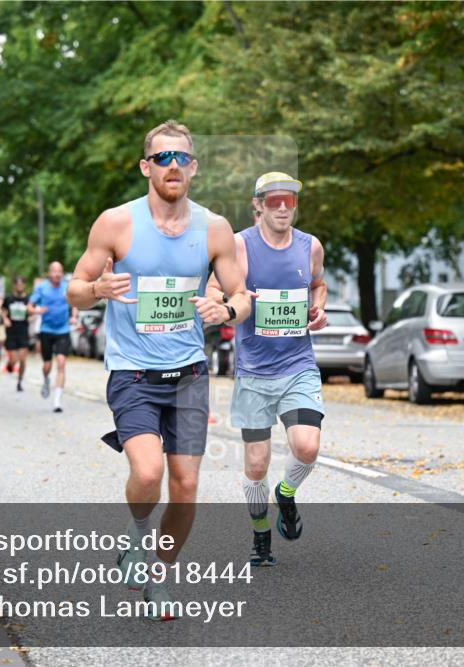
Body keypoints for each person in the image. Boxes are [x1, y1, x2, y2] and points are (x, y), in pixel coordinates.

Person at [66, 120, 250, 619]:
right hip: (133, 374)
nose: (173, 166)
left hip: (189, 373)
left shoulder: (214, 229)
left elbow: (241, 294)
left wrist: (227, 312)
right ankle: (136, 537)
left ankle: (158, 577)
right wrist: (96, 291)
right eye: (163, 158)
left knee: (186, 489)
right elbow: (75, 288)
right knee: (147, 473)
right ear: (146, 166)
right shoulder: (116, 224)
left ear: (193, 167)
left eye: (182, 158)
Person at [205, 172, 328, 567]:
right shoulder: (240, 246)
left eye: (289, 201)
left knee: (307, 447)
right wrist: (227, 303)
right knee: (256, 466)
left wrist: (319, 308)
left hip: (298, 365)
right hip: (255, 372)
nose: (281, 207)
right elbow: (213, 290)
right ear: (257, 204)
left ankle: (287, 494)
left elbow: (319, 284)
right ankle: (261, 536)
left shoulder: (310, 247)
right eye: (273, 200)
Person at [31, 262, 78, 412]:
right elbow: (29, 306)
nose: (57, 274)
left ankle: (57, 400)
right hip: (46, 330)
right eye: (54, 271)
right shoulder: (42, 288)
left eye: (60, 271)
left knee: (61, 362)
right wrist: (37, 311)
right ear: (49, 273)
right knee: (47, 365)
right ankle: (46, 379)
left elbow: (74, 303)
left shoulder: (67, 287)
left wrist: (73, 317)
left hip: (63, 330)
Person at [3, 276, 36, 392]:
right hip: (11, 332)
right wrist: (5, 319)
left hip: (23, 332)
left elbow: (32, 312)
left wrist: (32, 316)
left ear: (24, 286)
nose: (20, 286)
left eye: (22, 285)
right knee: (13, 359)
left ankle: (20, 381)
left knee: (22, 359)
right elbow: (3, 311)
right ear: (14, 286)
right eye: (18, 284)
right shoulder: (9, 299)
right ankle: (10, 364)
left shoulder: (28, 299)